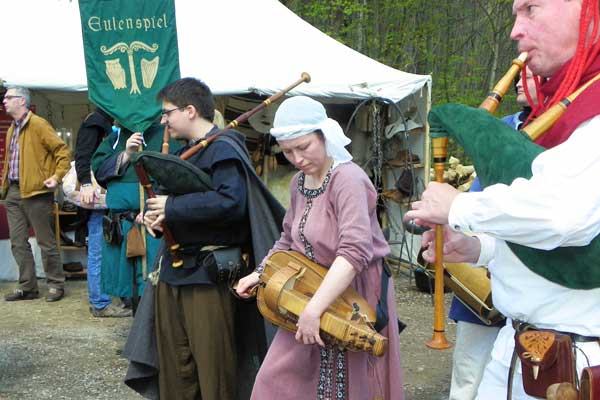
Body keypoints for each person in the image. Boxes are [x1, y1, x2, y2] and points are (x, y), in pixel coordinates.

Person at [406, 1, 600, 399]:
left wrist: (458, 207)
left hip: (579, 364)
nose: (515, 30)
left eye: (531, 9)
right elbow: (557, 249)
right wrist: (479, 247)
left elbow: (562, 218)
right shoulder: (567, 114)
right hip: (516, 349)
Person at [236, 96, 404, 400]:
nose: (297, 158)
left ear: (323, 136)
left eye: (304, 147)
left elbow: (354, 252)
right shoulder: (299, 182)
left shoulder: (348, 179)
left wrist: (316, 309)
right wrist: (259, 274)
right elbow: (288, 240)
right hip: (308, 289)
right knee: (275, 380)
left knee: (348, 384)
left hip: (354, 293)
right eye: (288, 151)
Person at [135, 77, 279, 400]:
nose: (164, 121)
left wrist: (172, 207)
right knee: (175, 368)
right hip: (173, 274)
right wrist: (157, 219)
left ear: (189, 111)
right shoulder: (189, 152)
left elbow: (231, 204)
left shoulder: (224, 149)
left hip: (207, 277)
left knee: (213, 369)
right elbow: (178, 208)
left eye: (167, 113)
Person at [448, 69, 539, 400]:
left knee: (528, 379)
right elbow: (477, 196)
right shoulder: (501, 128)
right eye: (517, 73)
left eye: (528, 73)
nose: (518, 79)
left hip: (534, 279)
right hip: (483, 270)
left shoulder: (569, 134)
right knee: (469, 374)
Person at [91, 120, 179, 307]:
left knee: (153, 282)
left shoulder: (166, 135)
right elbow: (99, 171)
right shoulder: (115, 138)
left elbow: (174, 176)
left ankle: (153, 327)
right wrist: (126, 154)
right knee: (129, 287)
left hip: (152, 223)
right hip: (123, 224)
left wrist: (149, 209)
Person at [1, 86, 71, 302]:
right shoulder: (13, 128)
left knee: (45, 242)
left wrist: (57, 177)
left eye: (8, 98)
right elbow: (11, 162)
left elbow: (63, 151)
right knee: (18, 242)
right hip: (13, 191)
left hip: (37, 191)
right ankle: (28, 286)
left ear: (21, 101)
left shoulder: (39, 124)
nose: (4, 101)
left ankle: (56, 284)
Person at [74, 108, 131, 317]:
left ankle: (108, 299)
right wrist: (87, 183)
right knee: (99, 250)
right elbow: (82, 156)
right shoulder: (96, 122)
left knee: (108, 249)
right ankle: (99, 303)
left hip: (109, 198)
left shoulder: (107, 122)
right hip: (99, 199)